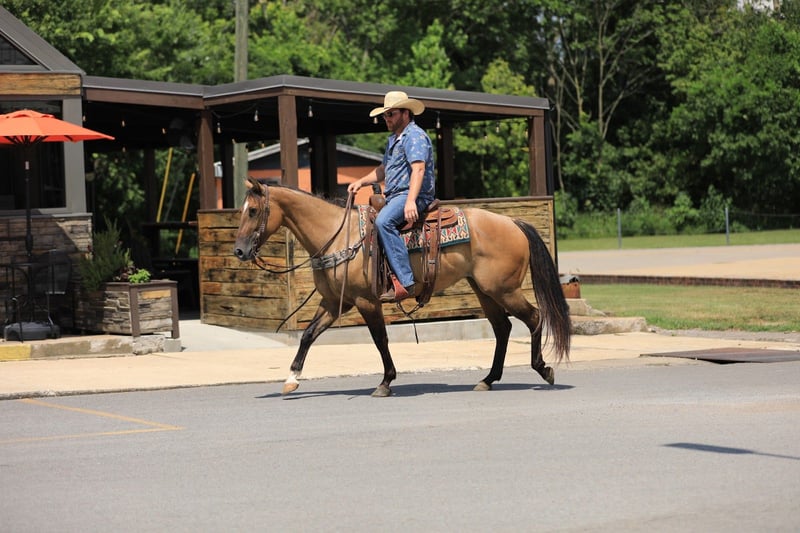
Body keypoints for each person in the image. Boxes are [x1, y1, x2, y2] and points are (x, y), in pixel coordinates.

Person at [348, 91, 436, 302]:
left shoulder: (414, 136)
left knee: (384, 221)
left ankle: (406, 282)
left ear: (406, 113)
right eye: (385, 115)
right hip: (396, 196)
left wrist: (411, 201)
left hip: (412, 194)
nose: (387, 119)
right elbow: (383, 170)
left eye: (391, 114)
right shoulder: (394, 140)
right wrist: (361, 182)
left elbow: (418, 169)